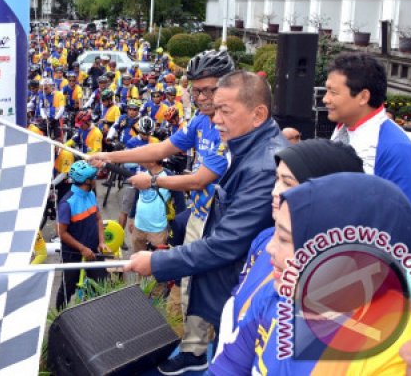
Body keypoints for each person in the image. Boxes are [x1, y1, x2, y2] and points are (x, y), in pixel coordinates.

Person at [121, 70, 287, 374]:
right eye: (213, 109)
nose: (216, 119)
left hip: (245, 284)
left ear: (257, 114)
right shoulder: (245, 144)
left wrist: (158, 263)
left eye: (225, 111)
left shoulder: (263, 167)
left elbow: (227, 242)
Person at [91, 50, 235, 373]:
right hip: (200, 216)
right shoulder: (200, 120)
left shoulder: (230, 127)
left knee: (214, 291)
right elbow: (162, 148)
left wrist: (155, 179)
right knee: (191, 287)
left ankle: (209, 356)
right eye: (195, 90)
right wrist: (110, 157)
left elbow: (199, 179)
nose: (200, 97)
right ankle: (195, 352)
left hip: (221, 221)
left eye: (208, 90)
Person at [212, 173, 411, 374]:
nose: (270, 247)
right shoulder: (279, 293)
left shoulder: (396, 351)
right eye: (275, 231)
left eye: (285, 239)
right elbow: (227, 367)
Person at [215, 139, 364, 356]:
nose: (276, 191)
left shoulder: (334, 277)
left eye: (289, 183)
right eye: (276, 179)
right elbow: (241, 293)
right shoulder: (265, 239)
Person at [325, 52, 411, 207]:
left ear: (363, 97)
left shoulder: (398, 149)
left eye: (333, 92)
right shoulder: (344, 126)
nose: (325, 99)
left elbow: (401, 217)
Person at [55, 160, 111, 310]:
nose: (95, 180)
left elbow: (98, 219)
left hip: (94, 248)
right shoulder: (67, 203)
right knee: (68, 287)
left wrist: (102, 241)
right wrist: (82, 249)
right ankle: (58, 316)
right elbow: (62, 233)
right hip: (73, 253)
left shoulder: (91, 194)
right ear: (87, 181)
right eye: (94, 178)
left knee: (102, 283)